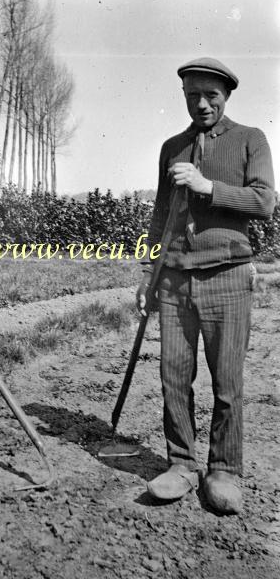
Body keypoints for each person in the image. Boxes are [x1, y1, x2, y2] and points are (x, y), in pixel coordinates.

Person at [137, 57, 275, 514]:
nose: (201, 104)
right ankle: (181, 463)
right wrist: (147, 274)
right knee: (173, 377)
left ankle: (223, 471)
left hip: (228, 278)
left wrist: (206, 185)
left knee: (227, 383)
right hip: (175, 282)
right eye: (192, 96)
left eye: (210, 96)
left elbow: (264, 202)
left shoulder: (250, 139)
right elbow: (160, 216)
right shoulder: (171, 147)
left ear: (227, 96)